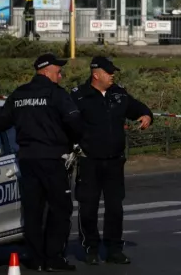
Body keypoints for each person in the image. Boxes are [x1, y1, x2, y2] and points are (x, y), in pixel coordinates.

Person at [0, 53, 83, 272]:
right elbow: (74, 120)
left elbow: (0, 121)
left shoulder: (19, 94)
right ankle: (54, 258)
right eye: (58, 71)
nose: (61, 74)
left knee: (33, 211)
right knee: (60, 208)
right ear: (46, 71)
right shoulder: (56, 94)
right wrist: (75, 140)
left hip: (27, 160)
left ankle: (36, 259)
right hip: (52, 159)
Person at [71, 56, 153, 265]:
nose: (112, 76)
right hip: (89, 161)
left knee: (115, 208)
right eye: (109, 73)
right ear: (96, 74)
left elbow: (139, 108)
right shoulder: (79, 96)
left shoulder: (119, 93)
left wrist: (146, 115)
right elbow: (66, 122)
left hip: (115, 161)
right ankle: (90, 248)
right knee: (88, 208)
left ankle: (114, 249)